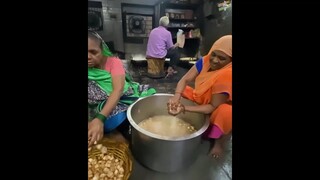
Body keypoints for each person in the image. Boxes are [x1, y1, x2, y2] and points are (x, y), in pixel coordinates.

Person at [167, 35, 232, 159]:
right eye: (214, 54)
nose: (215, 60)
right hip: (203, 98)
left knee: (226, 113)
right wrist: (176, 97)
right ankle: (200, 121)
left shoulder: (227, 75)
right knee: (183, 90)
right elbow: (185, 80)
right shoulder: (205, 61)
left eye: (222, 58)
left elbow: (212, 106)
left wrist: (184, 108)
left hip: (217, 106)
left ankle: (218, 143)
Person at [88, 30, 156, 146]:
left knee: (113, 120)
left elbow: (118, 90)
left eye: (93, 52)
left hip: (120, 98)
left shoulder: (114, 63)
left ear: (102, 50)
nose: (88, 57)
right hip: (97, 104)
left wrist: (99, 118)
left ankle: (122, 128)